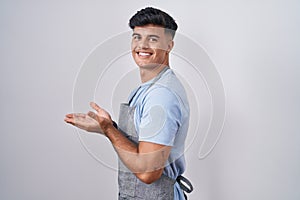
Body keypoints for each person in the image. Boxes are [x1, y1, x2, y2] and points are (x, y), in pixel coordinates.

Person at [64, 7, 192, 200]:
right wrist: (106, 127)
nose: (142, 45)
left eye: (153, 39)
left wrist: (109, 129)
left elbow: (148, 173)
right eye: (137, 37)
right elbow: (140, 144)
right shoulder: (147, 89)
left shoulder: (161, 95)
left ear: (169, 45)